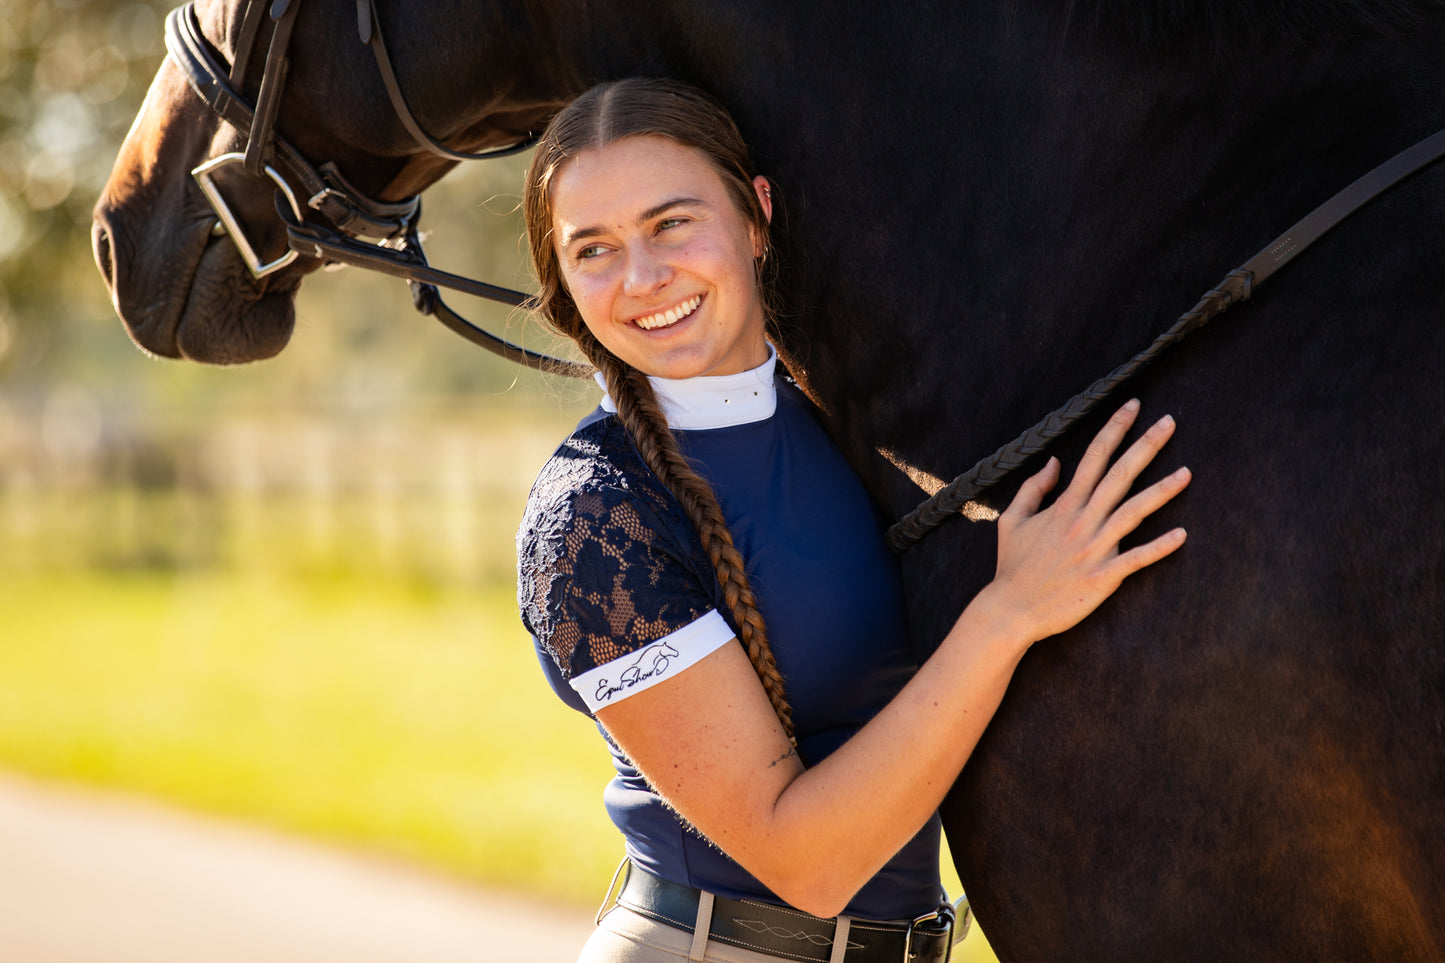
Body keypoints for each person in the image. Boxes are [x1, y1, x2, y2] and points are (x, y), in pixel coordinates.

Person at [515, 77, 1191, 963]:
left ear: (756, 220)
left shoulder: (855, 428)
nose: (641, 279)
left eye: (670, 223)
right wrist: (1010, 611)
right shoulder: (595, 517)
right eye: (592, 250)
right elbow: (811, 861)